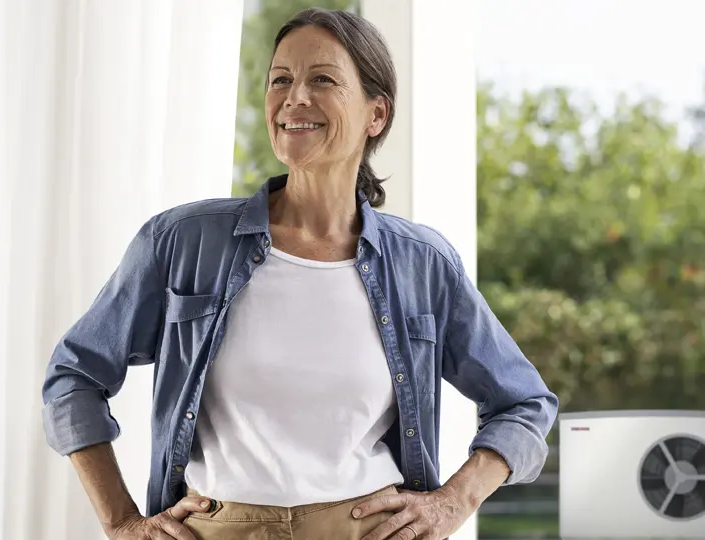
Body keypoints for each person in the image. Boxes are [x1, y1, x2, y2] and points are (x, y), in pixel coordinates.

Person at [41, 7, 558, 540]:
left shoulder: (422, 264)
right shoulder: (181, 242)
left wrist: (454, 501)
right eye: (281, 80)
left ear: (375, 115)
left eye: (323, 80)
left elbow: (525, 404)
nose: (295, 98)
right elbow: (74, 378)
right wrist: (121, 522)